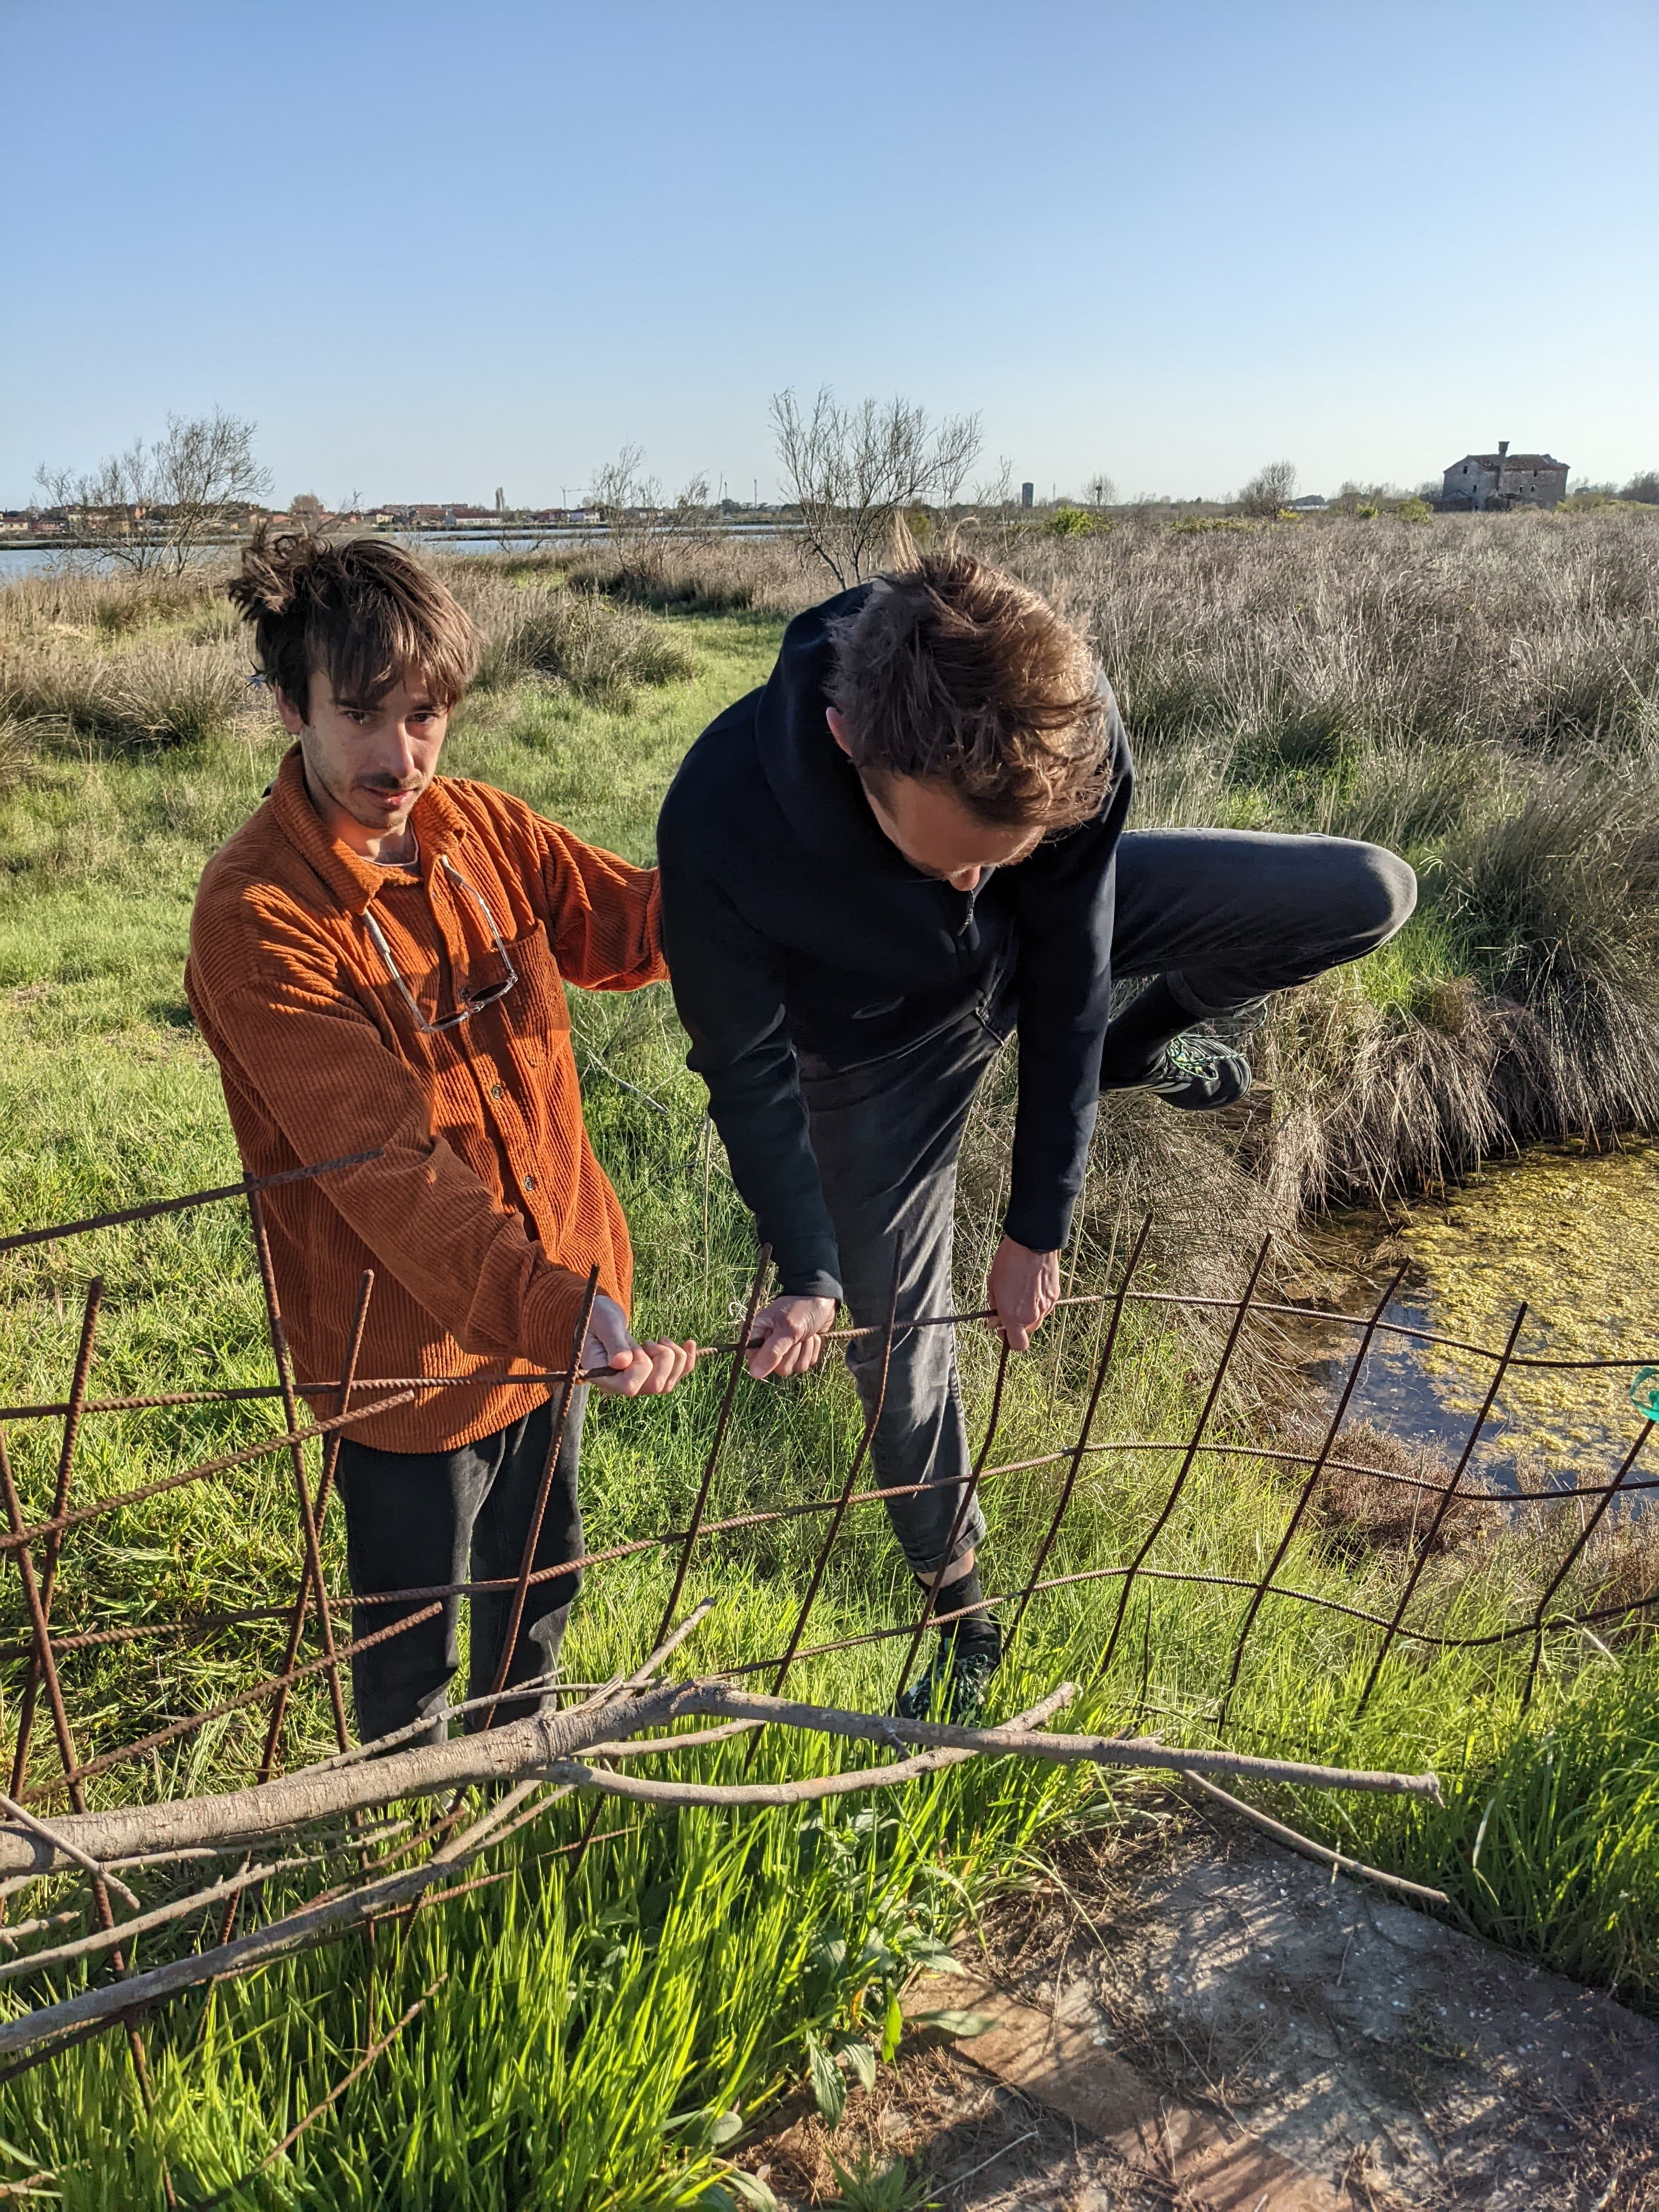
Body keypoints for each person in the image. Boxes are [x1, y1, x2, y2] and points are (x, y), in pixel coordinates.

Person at [657, 549, 1415, 1721]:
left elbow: (1068, 969)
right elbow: (746, 1070)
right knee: (899, 1358)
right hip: (875, 1050)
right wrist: (807, 1266)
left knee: (1366, 893)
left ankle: (1139, 1047)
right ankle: (960, 1612)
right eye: (949, 853)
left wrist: (1036, 1222)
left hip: (1048, 953)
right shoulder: (718, 819)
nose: (969, 884)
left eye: (998, 859)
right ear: (850, 740)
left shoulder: (1067, 738)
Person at [187, 532, 696, 1747]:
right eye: (361, 713)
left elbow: (627, 928)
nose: (398, 755)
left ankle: (512, 1805)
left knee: (540, 1602)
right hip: (406, 1362)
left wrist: (768, 856)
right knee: (407, 1662)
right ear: (288, 702)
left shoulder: (478, 830)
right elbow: (389, 1177)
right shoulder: (259, 918)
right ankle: (410, 1883)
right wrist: (552, 1310)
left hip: (560, 1317)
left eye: (425, 715)